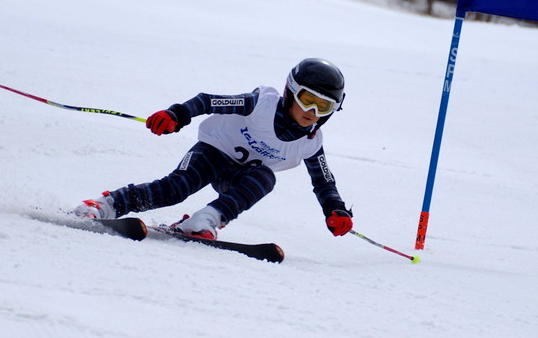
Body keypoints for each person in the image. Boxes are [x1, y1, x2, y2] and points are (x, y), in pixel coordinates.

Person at [72, 58, 353, 240]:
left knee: (265, 178)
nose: (312, 111)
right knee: (175, 189)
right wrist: (177, 114)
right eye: (307, 99)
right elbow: (209, 100)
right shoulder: (261, 104)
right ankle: (105, 205)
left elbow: (324, 182)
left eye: (324, 106)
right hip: (212, 153)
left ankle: (203, 221)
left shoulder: (311, 141)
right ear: (290, 92)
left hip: (241, 177)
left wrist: (336, 210)